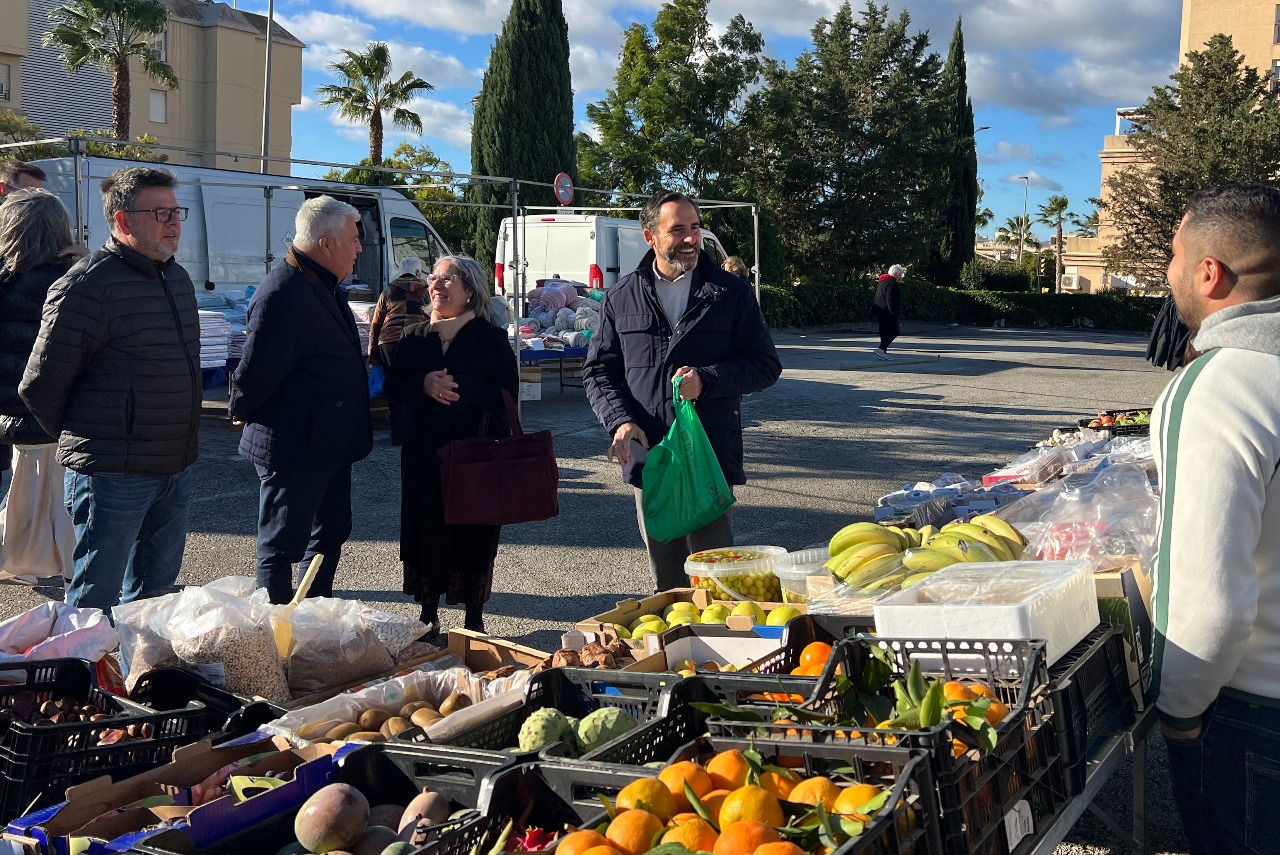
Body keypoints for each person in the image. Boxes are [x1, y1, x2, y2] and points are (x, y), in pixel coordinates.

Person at [1150, 183, 1280, 855]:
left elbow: (1209, 602)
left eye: (1173, 253)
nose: (1167, 270)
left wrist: (1178, 711)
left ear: (1210, 273)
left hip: (1257, 714)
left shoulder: (1221, 385)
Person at [19, 167, 201, 610]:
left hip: (174, 465)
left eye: (177, 212)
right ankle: (82, 677)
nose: (174, 222)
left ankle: (135, 675)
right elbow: (41, 383)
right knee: (94, 598)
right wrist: (93, 439)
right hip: (112, 474)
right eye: (161, 213)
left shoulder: (176, 279)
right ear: (122, 221)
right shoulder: (85, 286)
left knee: (153, 598)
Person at [583, 189, 782, 593]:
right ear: (650, 237)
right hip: (652, 455)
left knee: (718, 580)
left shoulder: (730, 293)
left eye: (695, 228)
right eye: (678, 230)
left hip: (707, 453)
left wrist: (706, 380)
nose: (691, 238)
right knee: (667, 583)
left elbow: (765, 366)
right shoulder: (621, 298)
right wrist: (620, 422)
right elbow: (599, 371)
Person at [229, 196, 372, 605]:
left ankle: (313, 621)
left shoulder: (321, 284)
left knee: (329, 533)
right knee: (281, 547)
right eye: (353, 239)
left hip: (327, 442)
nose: (359, 247)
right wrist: (241, 409)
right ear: (326, 244)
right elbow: (255, 371)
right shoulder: (284, 292)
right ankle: (275, 634)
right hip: (295, 445)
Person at [384, 255, 517, 639]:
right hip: (425, 454)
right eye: (434, 279)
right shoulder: (414, 336)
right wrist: (423, 386)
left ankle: (473, 618)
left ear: (469, 290)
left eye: (447, 279)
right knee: (426, 530)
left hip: (475, 452)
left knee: (473, 530)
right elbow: (393, 388)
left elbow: (507, 393)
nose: (436, 286)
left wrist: (463, 389)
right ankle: (428, 614)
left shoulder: (490, 339)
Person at [0, 190, 73, 565]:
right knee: (63, 505)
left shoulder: (6, 279)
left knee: (22, 493)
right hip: (58, 416)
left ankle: (21, 557)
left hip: (10, 414)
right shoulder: (71, 281)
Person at [370, 256, 428, 445]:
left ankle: (398, 435)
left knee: (394, 386)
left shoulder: (388, 290)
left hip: (389, 341)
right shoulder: (425, 290)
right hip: (417, 339)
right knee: (416, 384)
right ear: (418, 272)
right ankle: (414, 431)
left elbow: (376, 322)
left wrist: (373, 353)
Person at [872, 264, 904, 359]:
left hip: (880, 311)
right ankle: (881, 349)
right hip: (887, 312)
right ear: (895, 274)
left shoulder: (882, 281)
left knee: (884, 332)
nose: (900, 277)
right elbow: (890, 299)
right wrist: (894, 313)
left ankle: (882, 352)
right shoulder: (892, 283)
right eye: (900, 275)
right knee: (895, 331)